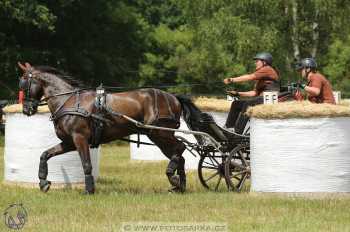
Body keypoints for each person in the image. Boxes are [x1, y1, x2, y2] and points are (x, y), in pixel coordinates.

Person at [223, 52, 280, 133]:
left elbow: (249, 77)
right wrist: (238, 93)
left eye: (257, 61)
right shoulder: (261, 76)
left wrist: (231, 80)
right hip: (262, 99)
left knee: (248, 104)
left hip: (269, 99)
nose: (255, 63)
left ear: (264, 62)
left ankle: (238, 132)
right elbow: (254, 93)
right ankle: (228, 128)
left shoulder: (267, 69)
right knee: (236, 103)